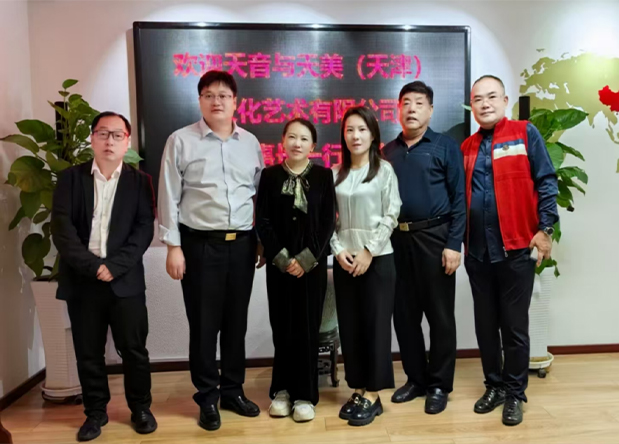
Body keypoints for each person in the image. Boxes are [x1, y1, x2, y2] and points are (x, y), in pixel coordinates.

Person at [158, 70, 266, 431]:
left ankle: (233, 391)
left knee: (236, 323)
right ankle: (207, 397)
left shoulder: (250, 142)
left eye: (223, 95)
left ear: (235, 102)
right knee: (204, 326)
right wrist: (173, 246)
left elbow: (259, 195)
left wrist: (261, 240)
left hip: (243, 245)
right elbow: (168, 195)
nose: (216, 101)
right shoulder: (180, 140)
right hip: (200, 245)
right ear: (200, 100)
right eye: (208, 95)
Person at [51, 111, 156, 442]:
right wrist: (93, 266)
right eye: (103, 134)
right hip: (83, 281)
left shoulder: (140, 182)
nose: (109, 141)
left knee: (134, 350)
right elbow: (62, 230)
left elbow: (143, 230)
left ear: (127, 142)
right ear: (92, 139)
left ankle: (141, 408)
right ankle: (95, 412)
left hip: (125, 282)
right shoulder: (70, 178)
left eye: (117, 135)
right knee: (88, 352)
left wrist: (115, 266)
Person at [463, 75, 559, 426]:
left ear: (505, 101)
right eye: (478, 99)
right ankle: (495, 386)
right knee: (486, 327)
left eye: (492, 97)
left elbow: (546, 181)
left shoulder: (524, 133)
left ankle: (516, 393)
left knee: (514, 327)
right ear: (472, 106)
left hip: (517, 249)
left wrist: (545, 230)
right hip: (477, 253)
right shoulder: (467, 147)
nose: (485, 104)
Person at [383, 81, 466, 414]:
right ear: (398, 110)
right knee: (404, 316)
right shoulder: (387, 152)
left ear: (430, 110)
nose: (412, 108)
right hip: (396, 241)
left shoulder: (445, 146)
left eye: (419, 103)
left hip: (435, 238)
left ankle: (439, 385)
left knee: (440, 317)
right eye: (406, 102)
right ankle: (416, 379)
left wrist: (454, 244)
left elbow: (459, 199)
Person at [256, 118, 336, 423]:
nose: (297, 143)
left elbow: (327, 222)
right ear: (283, 140)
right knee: (282, 327)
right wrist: (282, 257)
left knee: (307, 330)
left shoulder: (324, 176)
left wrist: (305, 259)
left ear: (313, 146)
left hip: (311, 268)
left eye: (304, 138)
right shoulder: (270, 176)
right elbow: (263, 221)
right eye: (292, 137)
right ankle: (281, 391)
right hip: (279, 268)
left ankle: (305, 395)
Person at [331, 106, 401, 427]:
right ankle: (358, 388)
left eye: (361, 129)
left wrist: (369, 251)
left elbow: (391, 214)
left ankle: (373, 394)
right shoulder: (335, 174)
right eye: (349, 130)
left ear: (373, 134)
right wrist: (338, 250)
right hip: (345, 261)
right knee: (350, 327)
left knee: (375, 326)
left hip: (378, 260)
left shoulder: (384, 170)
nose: (355, 136)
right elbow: (328, 222)